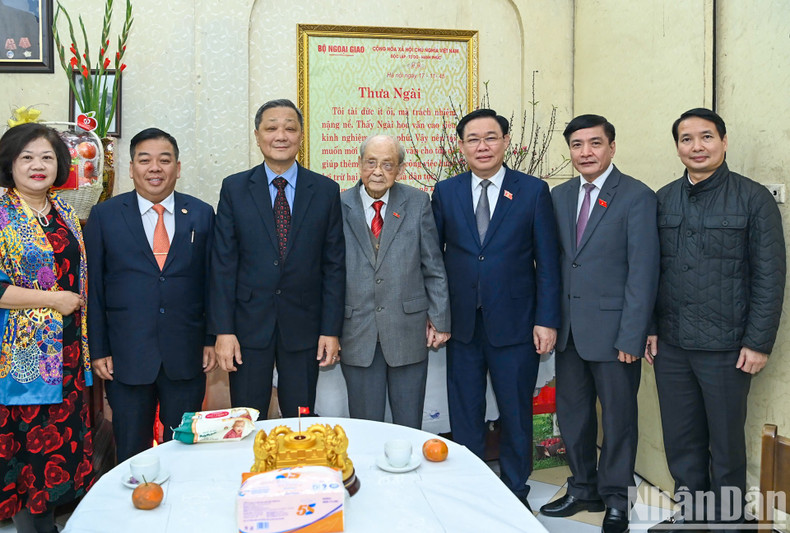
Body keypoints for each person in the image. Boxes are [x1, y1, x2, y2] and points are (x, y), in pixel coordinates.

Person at [647, 108, 786, 531]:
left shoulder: (753, 197)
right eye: (686, 139)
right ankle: (692, 514)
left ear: (724, 142)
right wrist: (650, 328)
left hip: (727, 346)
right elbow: (650, 271)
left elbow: (769, 274)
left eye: (706, 137)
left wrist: (758, 341)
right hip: (671, 344)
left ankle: (728, 520)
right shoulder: (663, 198)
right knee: (681, 439)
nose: (697, 146)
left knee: (725, 442)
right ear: (677, 148)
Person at [431, 108, 561, 506]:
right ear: (461, 146)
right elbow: (434, 259)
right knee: (465, 412)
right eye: (473, 139)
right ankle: (472, 489)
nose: (482, 146)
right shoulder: (446, 191)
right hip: (463, 324)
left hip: (517, 323)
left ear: (505, 141)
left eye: (491, 137)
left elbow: (548, 261)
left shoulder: (532, 190)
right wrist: (436, 316)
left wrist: (546, 319)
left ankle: (515, 490)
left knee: (515, 411)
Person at [539, 114, 659, 533]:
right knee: (573, 416)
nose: (585, 152)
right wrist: (549, 321)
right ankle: (582, 487)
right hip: (570, 332)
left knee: (619, 420)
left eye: (594, 143)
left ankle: (617, 500)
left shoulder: (637, 196)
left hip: (615, 335)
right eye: (577, 145)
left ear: (611, 147)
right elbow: (556, 264)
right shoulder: (559, 196)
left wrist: (633, 333)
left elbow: (643, 273)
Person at [85, 128, 216, 463]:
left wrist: (211, 339)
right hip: (126, 356)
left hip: (185, 354)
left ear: (178, 167)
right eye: (145, 160)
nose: (155, 168)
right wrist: (98, 349)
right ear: (131, 168)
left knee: (185, 451)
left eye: (164, 160)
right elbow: (94, 288)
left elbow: (212, 282)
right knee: (131, 452)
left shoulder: (201, 214)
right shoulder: (104, 216)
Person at [209, 99, 345, 418]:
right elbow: (223, 265)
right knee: (246, 419)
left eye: (290, 127)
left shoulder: (325, 191)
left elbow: (334, 266)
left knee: (300, 420)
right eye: (271, 128)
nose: (280, 135)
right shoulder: (235, 188)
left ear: (300, 136)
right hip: (247, 328)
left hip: (305, 326)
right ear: (258, 136)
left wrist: (331, 329)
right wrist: (223, 331)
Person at [0, 123, 94, 533]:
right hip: (21, 357)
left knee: (57, 445)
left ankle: (47, 524)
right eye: (27, 157)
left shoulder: (64, 213)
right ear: (10, 164)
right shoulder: (2, 215)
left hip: (68, 352)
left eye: (47, 157)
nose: (38, 166)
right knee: (28, 447)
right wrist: (53, 300)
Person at [339, 134, 450, 429]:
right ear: (359, 164)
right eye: (371, 162)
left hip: (407, 329)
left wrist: (439, 319)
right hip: (356, 329)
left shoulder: (416, 202)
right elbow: (328, 272)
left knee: (408, 423)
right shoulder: (339, 205)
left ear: (399, 168)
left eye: (387, 164)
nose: (378, 171)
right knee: (365, 425)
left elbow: (433, 265)